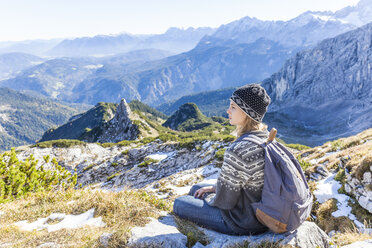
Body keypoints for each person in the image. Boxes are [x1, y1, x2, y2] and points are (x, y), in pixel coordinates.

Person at [173, 83, 271, 235]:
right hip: (259, 210)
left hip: (242, 221)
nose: (228, 111)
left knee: (179, 204)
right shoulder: (266, 137)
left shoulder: (239, 150)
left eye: (233, 107)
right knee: (196, 189)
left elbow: (225, 201)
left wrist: (211, 196)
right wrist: (213, 189)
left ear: (246, 112)